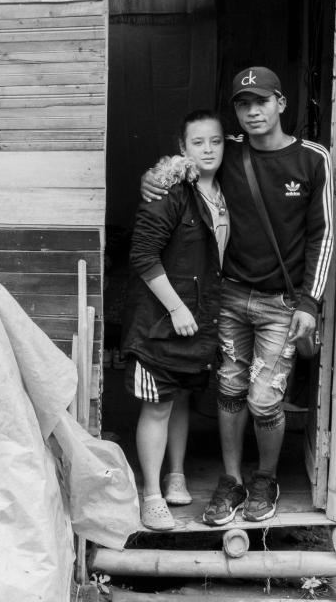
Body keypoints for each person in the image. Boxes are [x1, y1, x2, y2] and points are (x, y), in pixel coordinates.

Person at [141, 66, 333, 525]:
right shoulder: (228, 151)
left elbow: (323, 234)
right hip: (228, 296)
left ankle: (265, 478)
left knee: (264, 398)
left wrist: (310, 303)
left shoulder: (312, 158)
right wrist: (149, 180)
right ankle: (230, 480)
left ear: (280, 103)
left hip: (281, 303)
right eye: (243, 104)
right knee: (228, 388)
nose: (253, 111)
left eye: (261, 102)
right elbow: (180, 167)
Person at [123, 110, 229, 531]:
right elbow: (142, 255)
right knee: (158, 404)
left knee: (182, 397)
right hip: (161, 320)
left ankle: (176, 475)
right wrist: (176, 307)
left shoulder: (224, 192)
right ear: (182, 148)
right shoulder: (169, 191)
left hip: (199, 318)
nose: (208, 149)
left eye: (215, 141)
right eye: (197, 142)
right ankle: (151, 495)